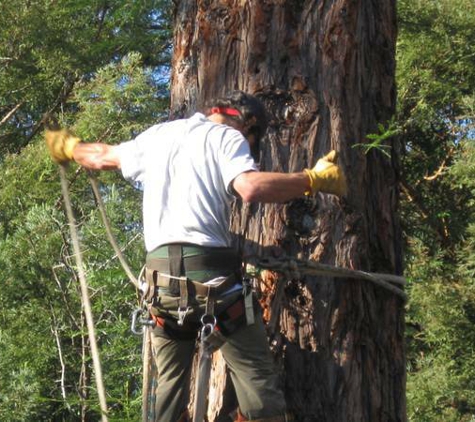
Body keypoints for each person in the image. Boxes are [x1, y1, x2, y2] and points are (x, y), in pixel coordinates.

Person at [46, 91, 347, 422]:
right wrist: (312, 179)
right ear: (245, 123)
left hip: (162, 290)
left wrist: (70, 147)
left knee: (167, 405)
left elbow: (100, 156)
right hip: (214, 287)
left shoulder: (157, 136)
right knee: (262, 398)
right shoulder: (226, 137)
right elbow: (249, 188)